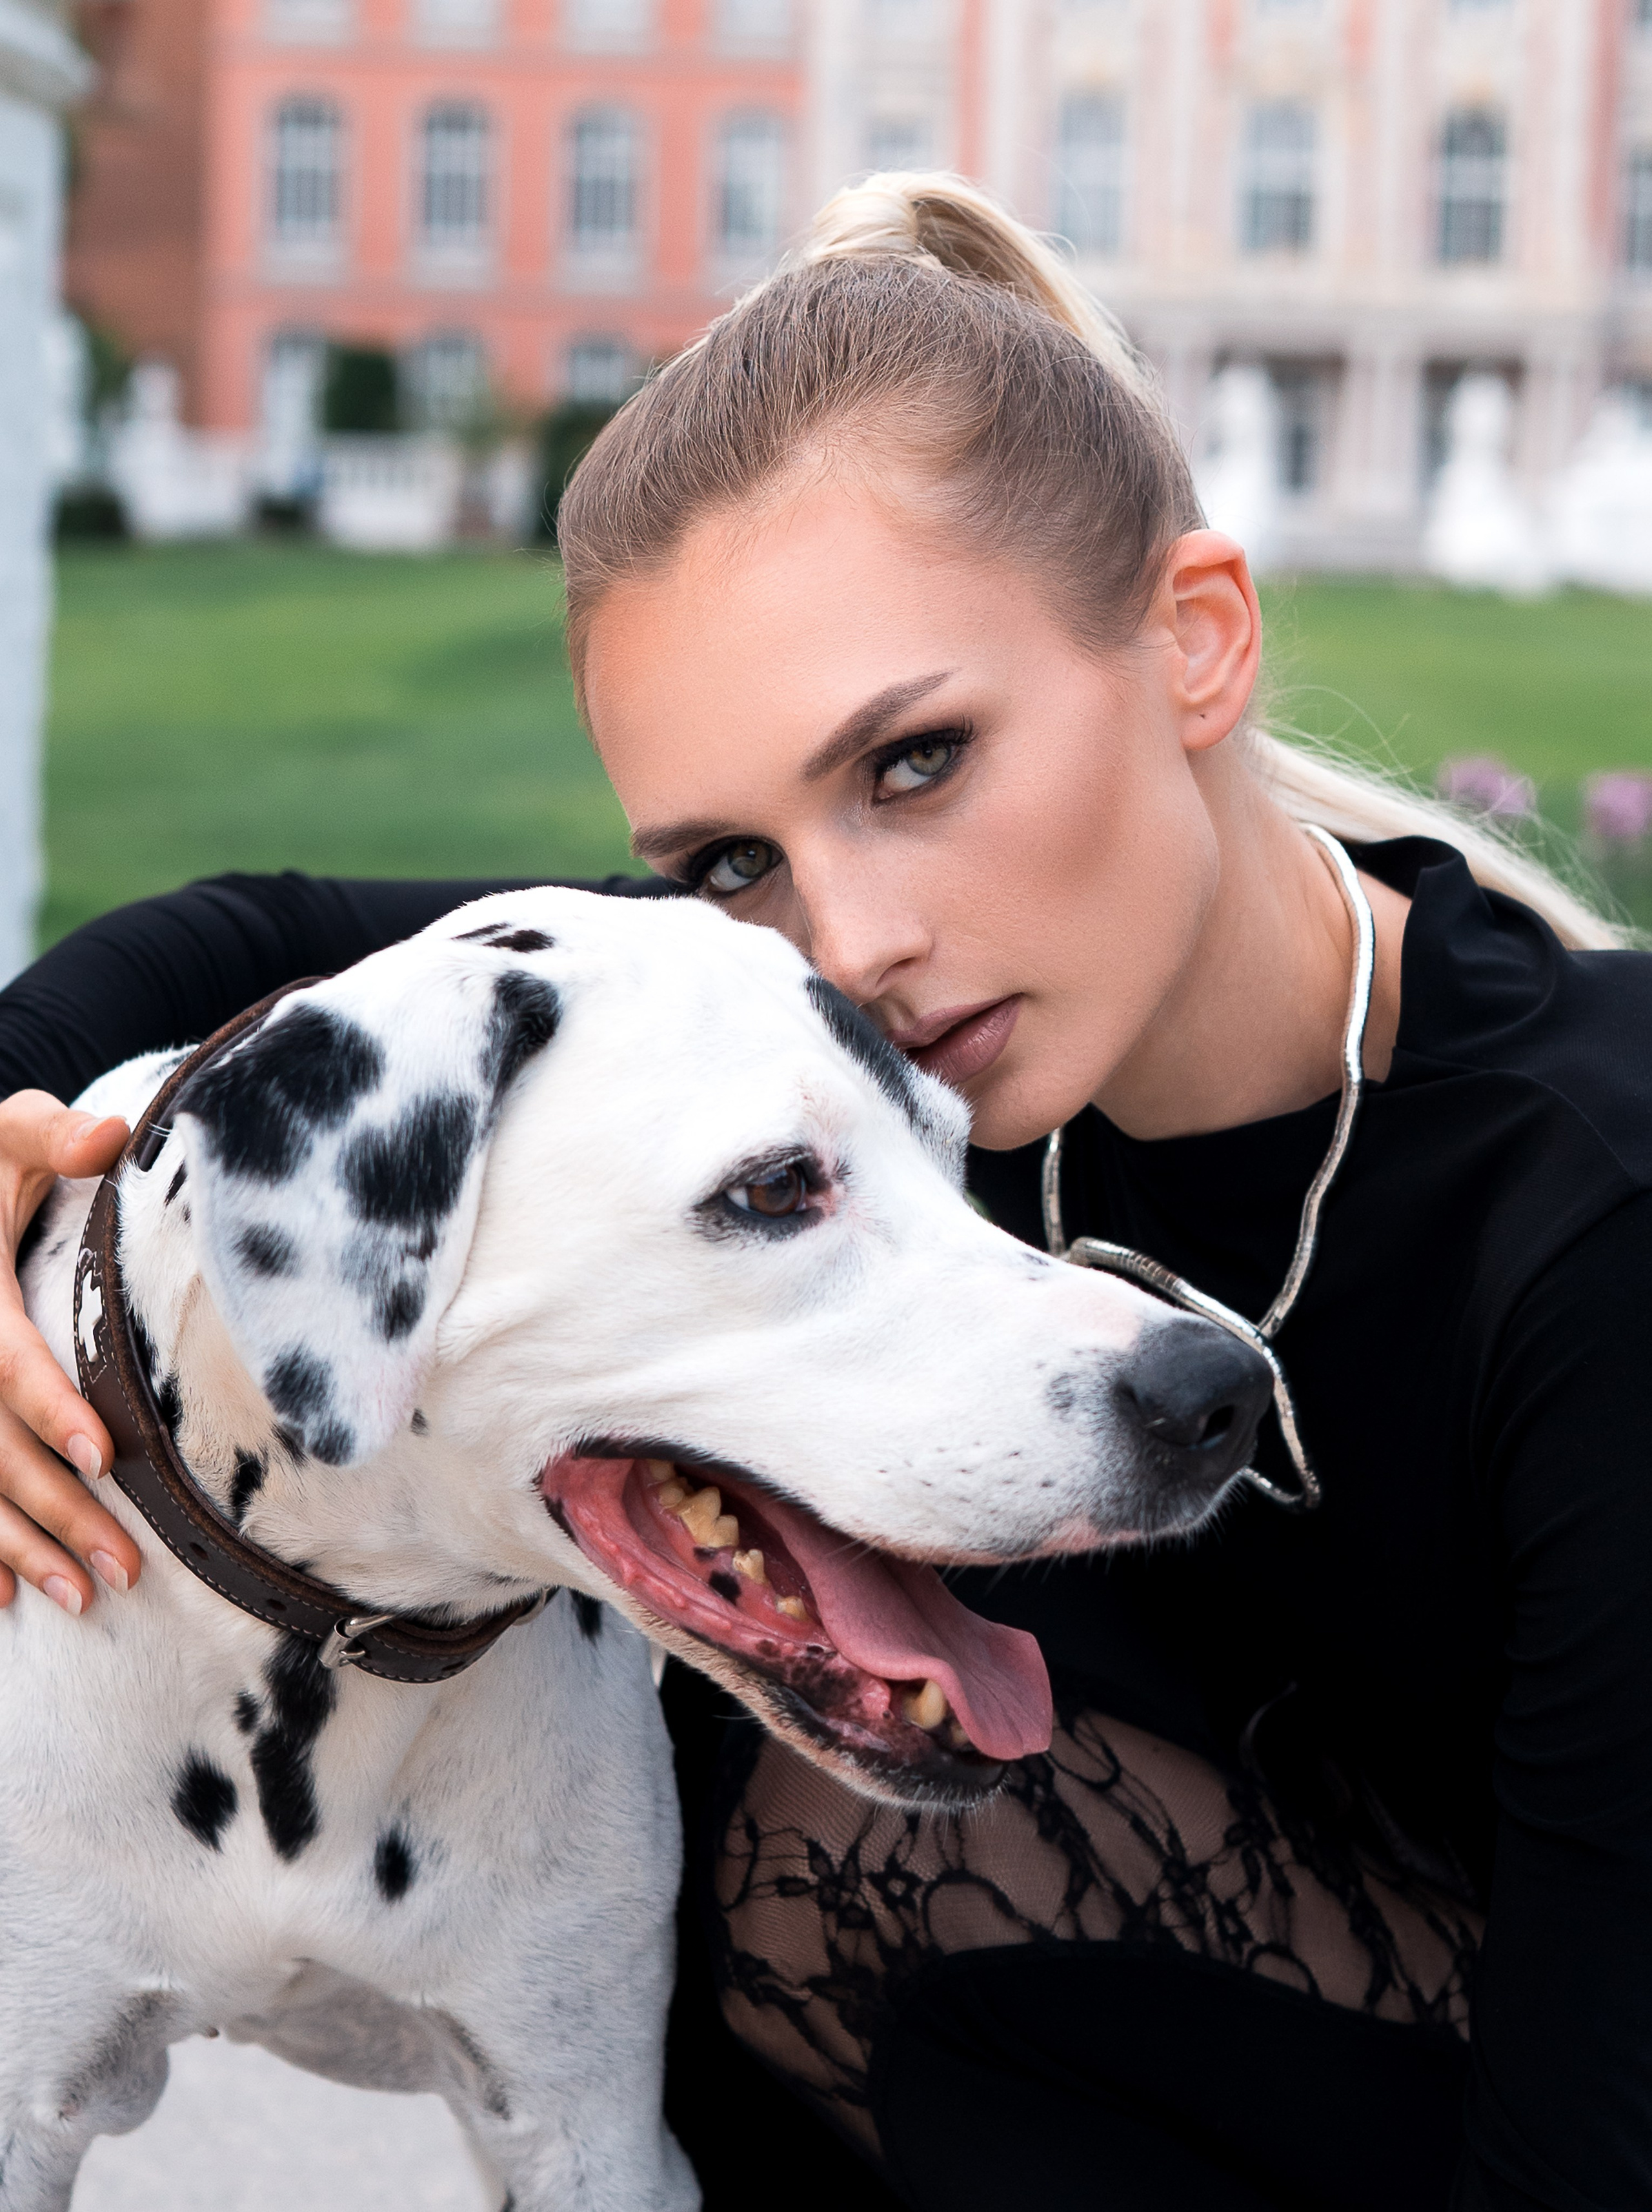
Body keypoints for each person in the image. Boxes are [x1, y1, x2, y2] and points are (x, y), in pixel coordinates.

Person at [1, 174, 1647, 2212]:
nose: (842, 939)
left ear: (1197, 642)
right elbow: (251, 939)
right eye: (723, 859)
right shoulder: (821, 1041)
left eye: (916, 761)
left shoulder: (1595, 1214)